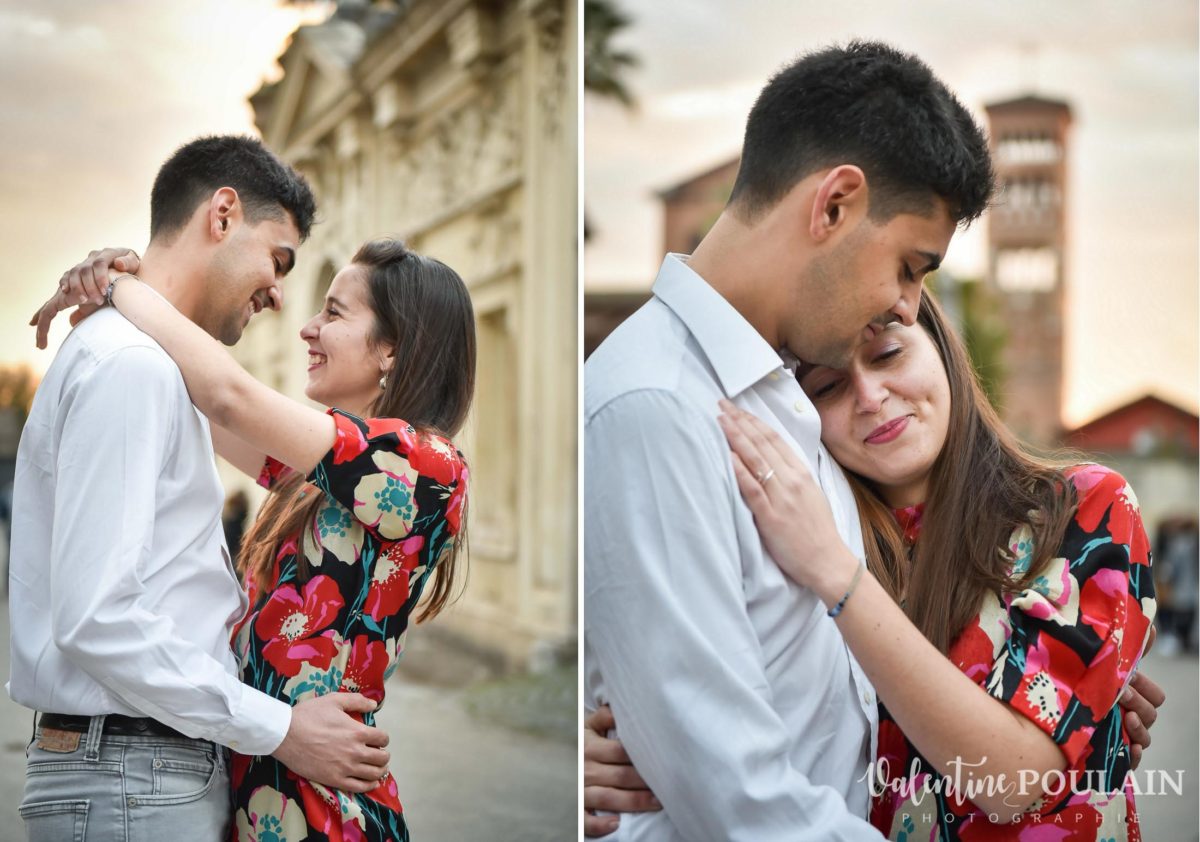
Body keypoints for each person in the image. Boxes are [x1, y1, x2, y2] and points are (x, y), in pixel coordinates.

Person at [584, 40, 993, 841]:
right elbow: (737, 796)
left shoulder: (790, 393)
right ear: (834, 205)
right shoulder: (656, 406)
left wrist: (1071, 687)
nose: (909, 308)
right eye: (910, 266)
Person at [589, 293, 1160, 839]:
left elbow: (1010, 782)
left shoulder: (1080, 509)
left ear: (942, 345)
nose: (869, 396)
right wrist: (615, 744)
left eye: (888, 354)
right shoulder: (814, 542)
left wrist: (835, 575)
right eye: (828, 387)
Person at [11, 135, 389, 842]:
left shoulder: (151, 365)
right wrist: (277, 729)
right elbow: (98, 616)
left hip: (137, 771)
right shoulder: (134, 367)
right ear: (222, 215)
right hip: (133, 775)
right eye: (279, 260)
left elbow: (230, 399)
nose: (284, 297)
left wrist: (119, 282)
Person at [39, 235, 475, 841]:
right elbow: (201, 403)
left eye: (334, 312)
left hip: (323, 811)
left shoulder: (425, 466)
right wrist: (123, 293)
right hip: (262, 790)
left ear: (393, 349)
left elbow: (229, 396)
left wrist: (121, 286)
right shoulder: (319, 478)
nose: (308, 328)